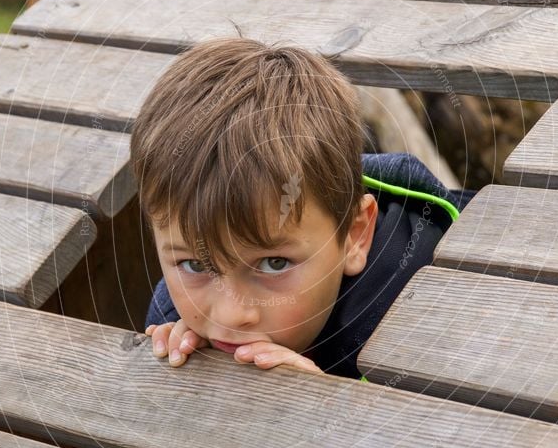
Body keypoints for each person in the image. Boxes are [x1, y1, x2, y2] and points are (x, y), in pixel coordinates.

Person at [131, 37, 473, 380]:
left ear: (354, 237)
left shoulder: (425, 318)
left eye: (274, 263)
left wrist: (322, 405)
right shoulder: (174, 310)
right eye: (196, 264)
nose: (230, 314)